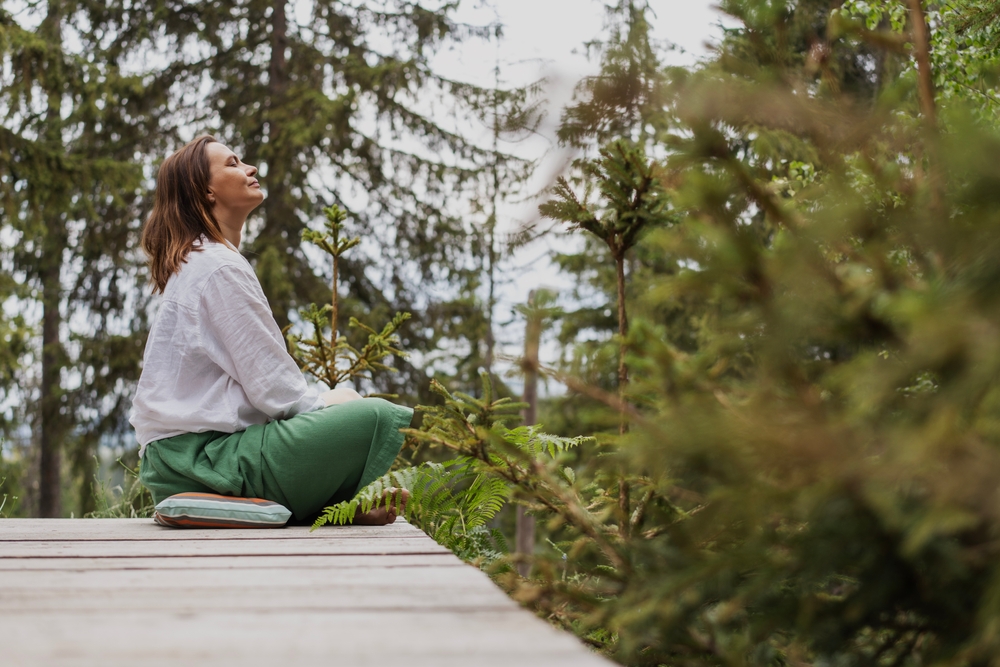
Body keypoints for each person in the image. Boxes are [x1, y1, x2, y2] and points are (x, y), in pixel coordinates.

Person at [130, 135, 411, 525]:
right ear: (206, 191)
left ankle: (330, 507)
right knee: (375, 416)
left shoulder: (204, 260)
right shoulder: (217, 266)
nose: (251, 168)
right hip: (201, 461)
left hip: (181, 460)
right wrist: (337, 410)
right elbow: (276, 390)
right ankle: (293, 504)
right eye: (232, 163)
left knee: (344, 399)